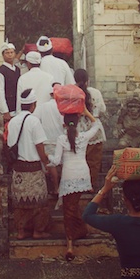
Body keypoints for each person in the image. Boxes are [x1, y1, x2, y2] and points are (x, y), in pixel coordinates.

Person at [48, 101, 101, 261]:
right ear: (77, 123)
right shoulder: (84, 137)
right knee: (73, 207)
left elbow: (56, 161)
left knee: (68, 211)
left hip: (69, 176)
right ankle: (81, 230)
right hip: (83, 176)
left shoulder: (61, 139)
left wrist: (45, 157)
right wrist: (86, 112)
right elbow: (97, 125)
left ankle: (70, 244)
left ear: (64, 124)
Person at [7, 88, 52, 239]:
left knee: (20, 202)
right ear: (34, 104)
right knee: (39, 202)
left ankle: (20, 231)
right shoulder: (34, 121)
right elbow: (40, 146)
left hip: (18, 169)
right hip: (33, 169)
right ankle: (37, 231)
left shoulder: (12, 122)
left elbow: (9, 144)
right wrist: (45, 163)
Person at [74, 68, 107, 191]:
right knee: (94, 161)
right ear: (88, 80)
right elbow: (103, 110)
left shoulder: (72, 93)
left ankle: (79, 185)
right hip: (94, 128)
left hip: (78, 129)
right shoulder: (96, 92)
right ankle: (91, 185)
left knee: (79, 160)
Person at [33, 82, 64, 194]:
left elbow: (34, 119)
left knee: (51, 165)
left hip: (47, 139)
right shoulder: (63, 107)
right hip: (61, 139)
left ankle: (55, 188)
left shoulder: (43, 106)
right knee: (61, 164)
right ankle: (60, 188)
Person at [0, 42, 21, 122]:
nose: (10, 55)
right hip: (8, 109)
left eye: (12, 52)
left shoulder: (17, 70)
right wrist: (5, 111)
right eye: (7, 53)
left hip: (18, 107)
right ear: (3, 55)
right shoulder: (0, 72)